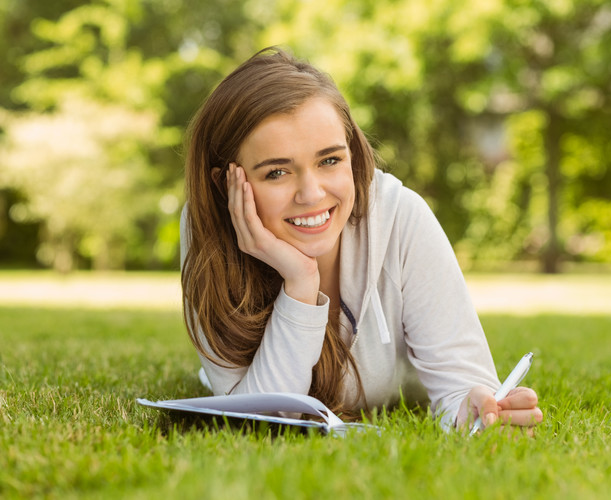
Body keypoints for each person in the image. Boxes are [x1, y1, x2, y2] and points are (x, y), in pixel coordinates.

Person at [180, 46, 543, 432]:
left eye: (329, 161)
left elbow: (462, 390)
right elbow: (254, 423)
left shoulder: (401, 216)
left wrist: (478, 409)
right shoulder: (207, 233)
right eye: (276, 173)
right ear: (226, 185)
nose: (311, 194)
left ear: (352, 155)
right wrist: (300, 282)